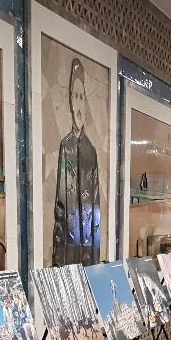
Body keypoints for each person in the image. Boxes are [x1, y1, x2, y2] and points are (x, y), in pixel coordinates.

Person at [52, 57, 102, 266]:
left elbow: (97, 206)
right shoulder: (66, 146)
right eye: (75, 96)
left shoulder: (91, 151)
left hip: (89, 250)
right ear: (70, 102)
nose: (79, 103)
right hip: (67, 248)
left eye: (82, 97)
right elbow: (60, 205)